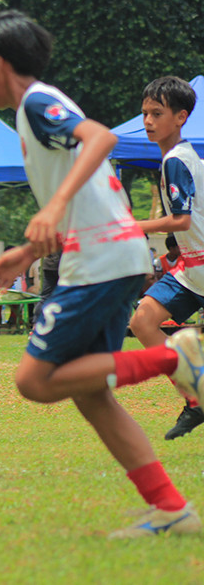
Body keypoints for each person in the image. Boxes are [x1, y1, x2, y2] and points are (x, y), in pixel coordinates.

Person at [0, 10, 202, 538]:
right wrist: (27, 250)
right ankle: (171, 509)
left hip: (99, 265)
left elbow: (100, 140)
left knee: (35, 380)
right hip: (105, 257)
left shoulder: (38, 103)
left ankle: (173, 355)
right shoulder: (37, 108)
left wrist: (52, 208)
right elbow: (90, 198)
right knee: (93, 395)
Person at [126, 77, 204, 441]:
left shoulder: (176, 160)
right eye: (144, 113)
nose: (147, 121)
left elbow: (181, 220)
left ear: (181, 117)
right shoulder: (178, 158)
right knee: (143, 321)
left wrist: (132, 225)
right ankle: (196, 398)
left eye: (157, 113)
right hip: (192, 268)